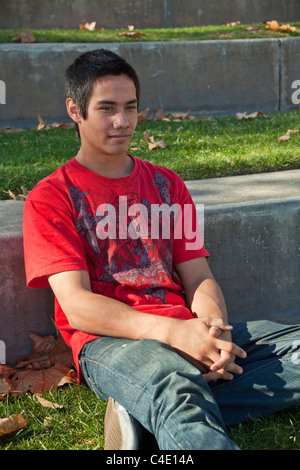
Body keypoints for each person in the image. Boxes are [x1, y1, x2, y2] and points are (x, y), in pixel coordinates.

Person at [23, 49, 300, 451]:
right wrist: (173, 336)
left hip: (186, 326)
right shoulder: (51, 197)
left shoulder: (167, 185)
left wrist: (213, 333)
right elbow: (78, 305)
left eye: (130, 108)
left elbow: (199, 276)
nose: (122, 122)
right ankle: (167, 401)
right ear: (75, 110)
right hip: (111, 342)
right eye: (106, 109)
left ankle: (143, 417)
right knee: (173, 380)